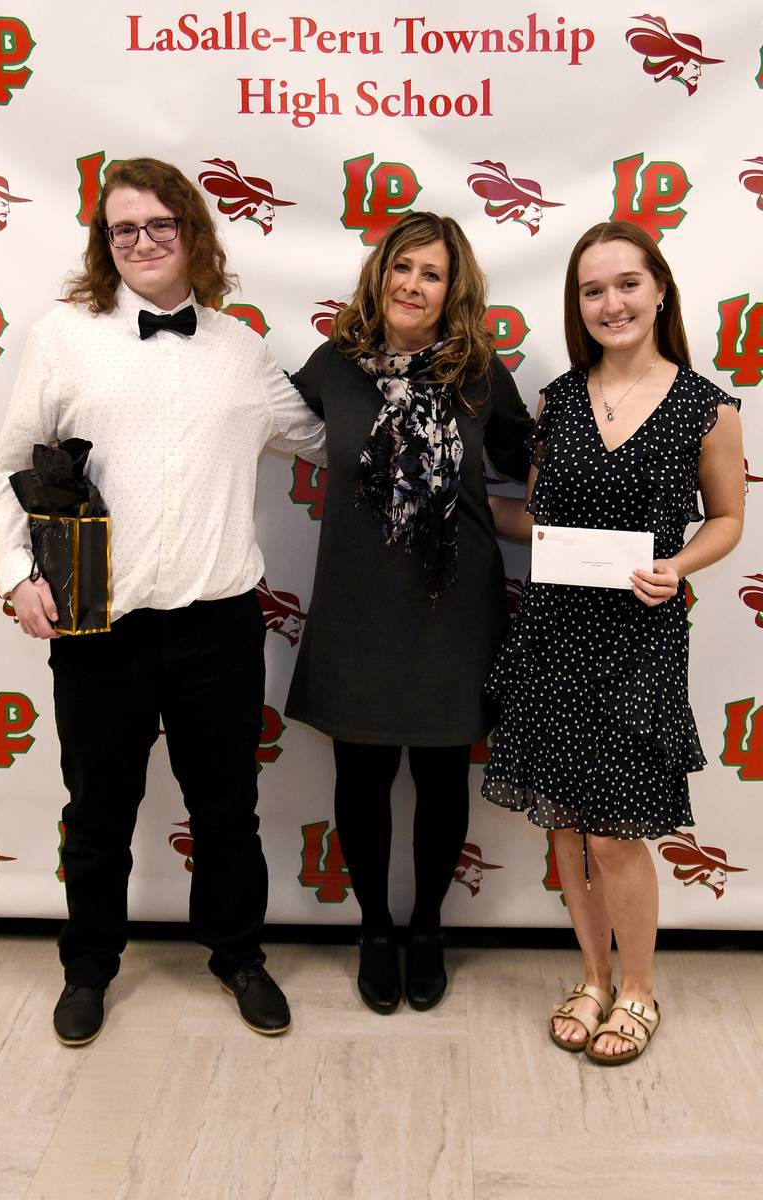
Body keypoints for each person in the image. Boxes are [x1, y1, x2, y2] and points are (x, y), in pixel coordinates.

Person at [0, 157, 326, 1045]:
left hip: (217, 626)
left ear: (193, 234)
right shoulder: (63, 337)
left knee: (227, 811)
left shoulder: (241, 350)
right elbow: (7, 470)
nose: (141, 242)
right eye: (122, 228)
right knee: (97, 811)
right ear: (106, 242)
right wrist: (15, 576)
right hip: (98, 627)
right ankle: (88, 968)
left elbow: (325, 440)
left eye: (159, 225)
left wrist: (413, 391)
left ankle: (239, 956)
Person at [482, 220, 744, 1063]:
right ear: (578, 304)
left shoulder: (708, 406)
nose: (611, 303)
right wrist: (459, 500)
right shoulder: (556, 401)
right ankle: (592, 977)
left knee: (613, 833)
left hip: (641, 637)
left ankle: (639, 990)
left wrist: (679, 563)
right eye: (593, 290)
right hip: (552, 635)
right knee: (564, 827)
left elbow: (730, 518)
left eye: (627, 284)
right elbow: (538, 519)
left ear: (659, 289)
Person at [284, 211, 533, 1013]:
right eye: (402, 267)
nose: (413, 285)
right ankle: (374, 930)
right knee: (359, 773)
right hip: (358, 598)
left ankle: (427, 927)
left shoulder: (480, 372)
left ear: (452, 290)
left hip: (453, 603)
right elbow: (249, 423)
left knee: (437, 769)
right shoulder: (334, 365)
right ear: (379, 274)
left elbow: (538, 466)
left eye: (431, 273)